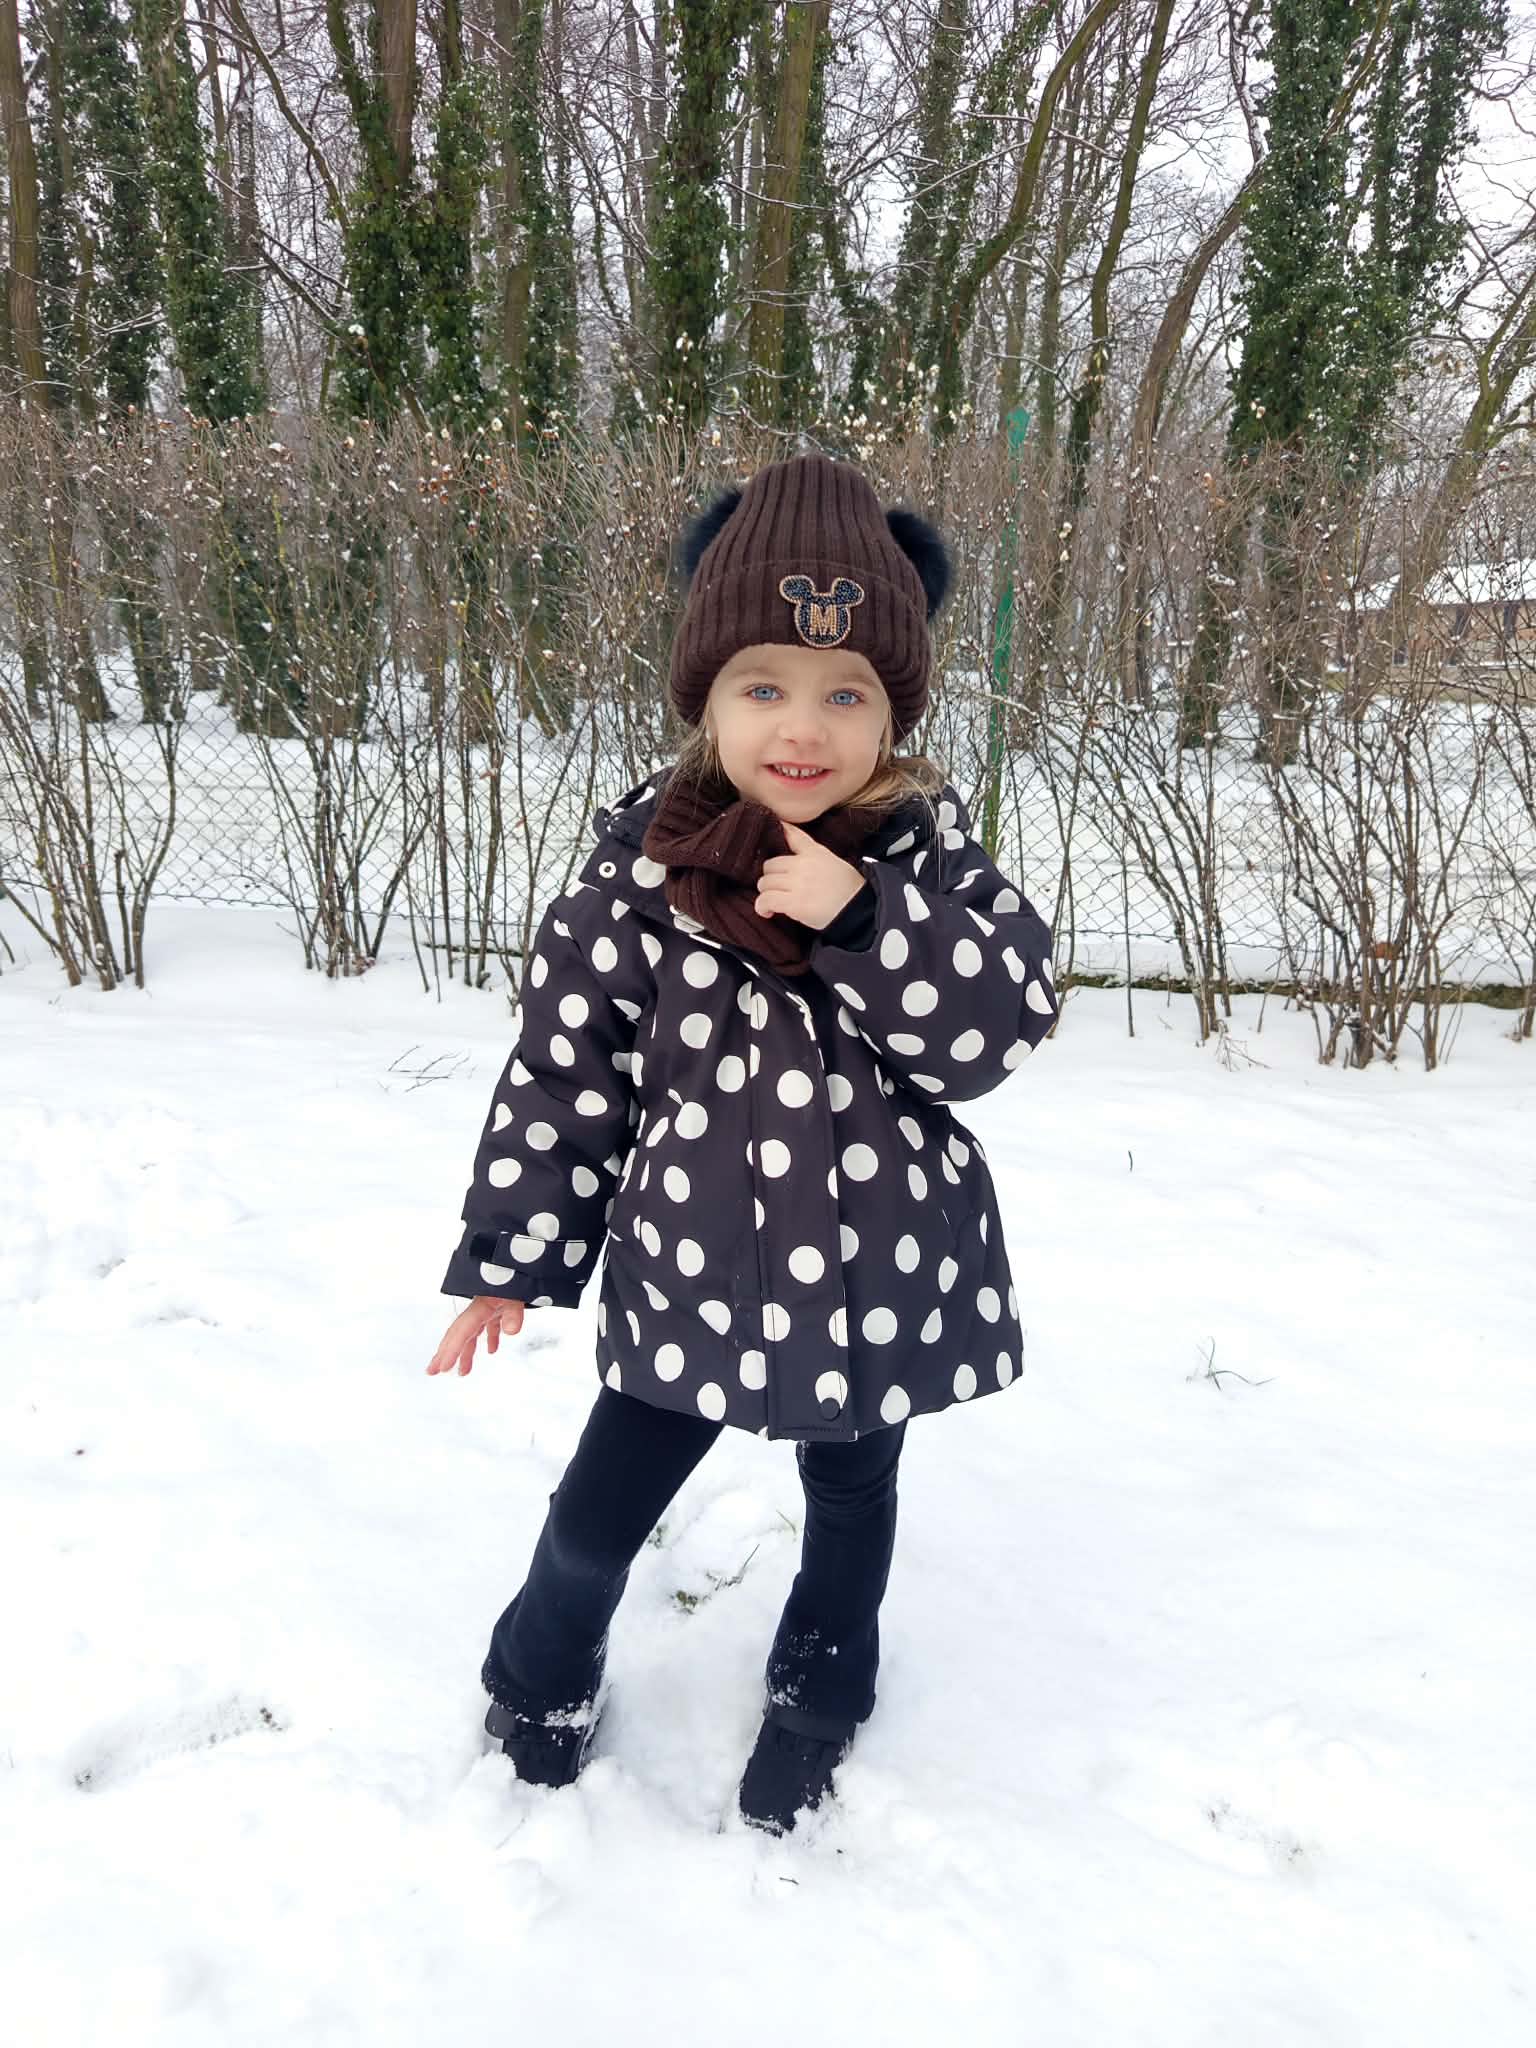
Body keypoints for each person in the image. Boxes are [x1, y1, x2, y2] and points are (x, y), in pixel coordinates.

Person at [427, 452, 1059, 1834]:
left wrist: (863, 920)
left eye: (847, 693)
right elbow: (566, 1076)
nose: (803, 727)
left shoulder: (926, 864)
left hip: (880, 1268)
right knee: (597, 1514)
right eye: (763, 687)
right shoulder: (639, 876)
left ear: (892, 713)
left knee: (853, 1496)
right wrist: (515, 1256)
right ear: (706, 701)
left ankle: (822, 1687)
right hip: (692, 1264)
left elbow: (995, 1032)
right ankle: (540, 1667)